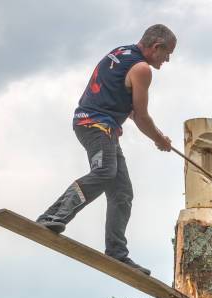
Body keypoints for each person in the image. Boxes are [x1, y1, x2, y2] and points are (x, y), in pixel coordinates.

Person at [36, 24, 176, 275]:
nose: (167, 60)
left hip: (103, 128)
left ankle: (117, 253)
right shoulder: (142, 69)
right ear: (157, 47)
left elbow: (128, 108)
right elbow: (141, 117)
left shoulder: (121, 52)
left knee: (122, 193)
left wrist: (158, 135)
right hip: (93, 124)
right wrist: (159, 140)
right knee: (104, 171)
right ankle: (52, 216)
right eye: (167, 54)